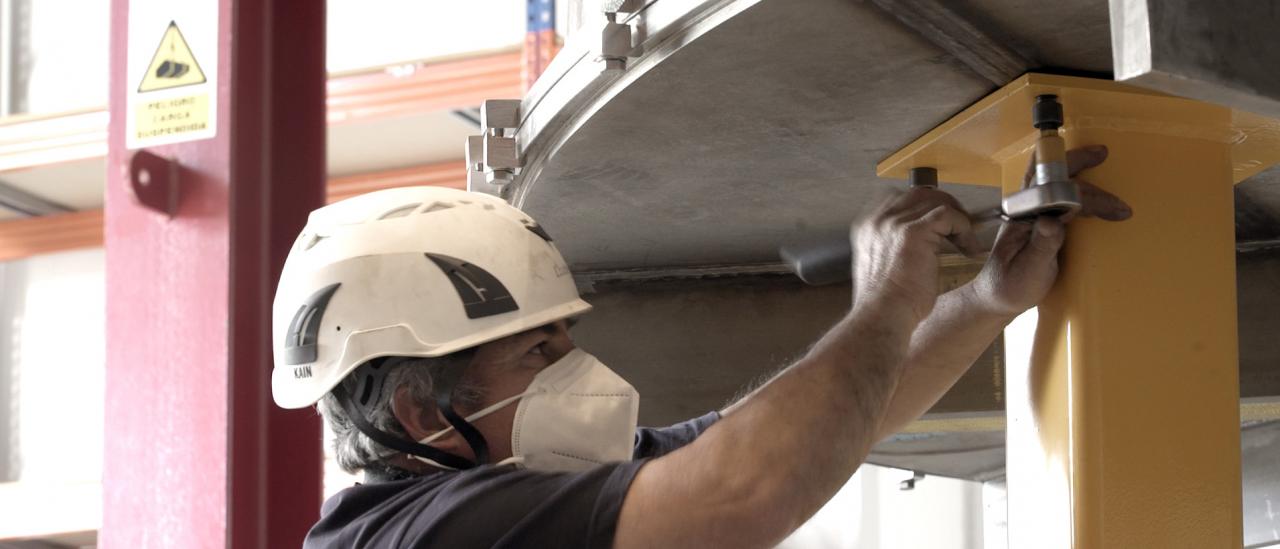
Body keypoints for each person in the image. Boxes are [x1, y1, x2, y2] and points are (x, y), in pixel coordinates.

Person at [271, 146, 1130, 548]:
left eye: (568, 339)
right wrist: (883, 303)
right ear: (422, 411)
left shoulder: (526, 491)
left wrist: (983, 300)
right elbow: (747, 489)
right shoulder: (432, 535)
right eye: (538, 354)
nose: (577, 371)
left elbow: (817, 430)